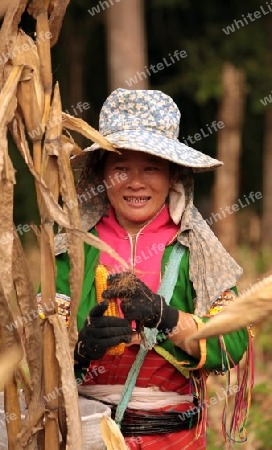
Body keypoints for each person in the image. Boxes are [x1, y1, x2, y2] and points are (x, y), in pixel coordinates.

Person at [38, 89, 253, 449]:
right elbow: (38, 344)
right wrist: (79, 349)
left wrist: (167, 318)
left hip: (174, 437)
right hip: (87, 434)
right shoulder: (72, 249)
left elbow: (230, 342)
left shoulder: (196, 250)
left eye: (151, 167)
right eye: (121, 168)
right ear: (100, 175)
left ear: (173, 175)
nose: (136, 182)